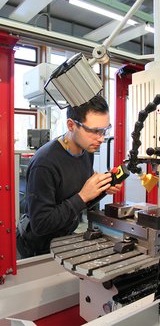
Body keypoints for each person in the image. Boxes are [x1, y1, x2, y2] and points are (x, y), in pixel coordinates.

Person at [16, 95, 122, 258]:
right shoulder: (44, 163)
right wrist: (83, 195)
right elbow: (41, 224)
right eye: (94, 131)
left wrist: (101, 189)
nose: (101, 138)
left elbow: (78, 201)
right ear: (71, 125)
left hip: (64, 240)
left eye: (104, 130)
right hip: (37, 249)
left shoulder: (85, 151)